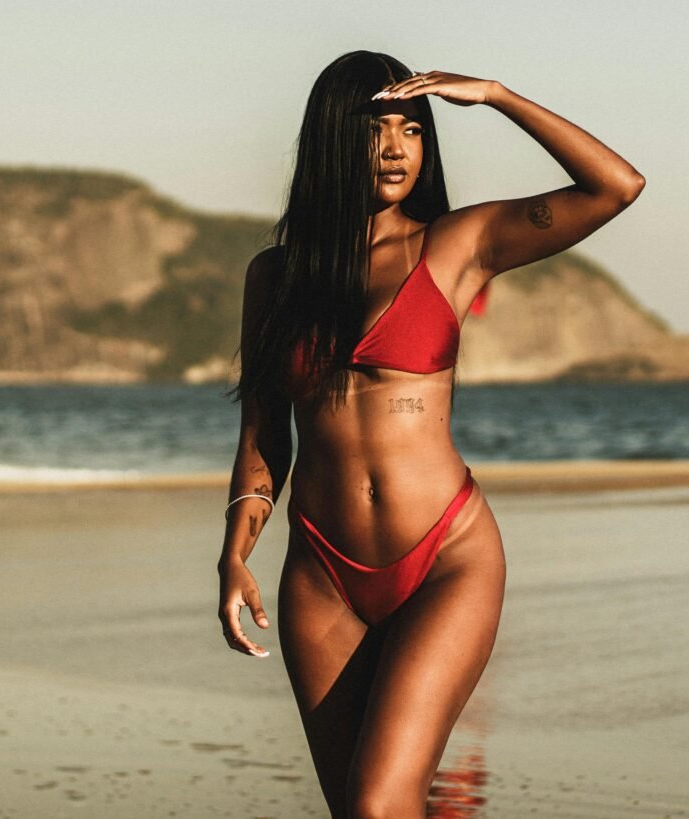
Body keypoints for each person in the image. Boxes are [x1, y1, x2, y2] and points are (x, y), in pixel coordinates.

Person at [218, 50, 644, 818]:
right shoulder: (275, 277)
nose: (395, 147)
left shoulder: (458, 244)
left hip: (445, 560)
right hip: (321, 575)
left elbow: (616, 186)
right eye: (376, 129)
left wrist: (498, 95)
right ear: (330, 140)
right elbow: (263, 434)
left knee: (383, 802)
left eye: (412, 129)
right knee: (359, 810)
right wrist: (234, 549)